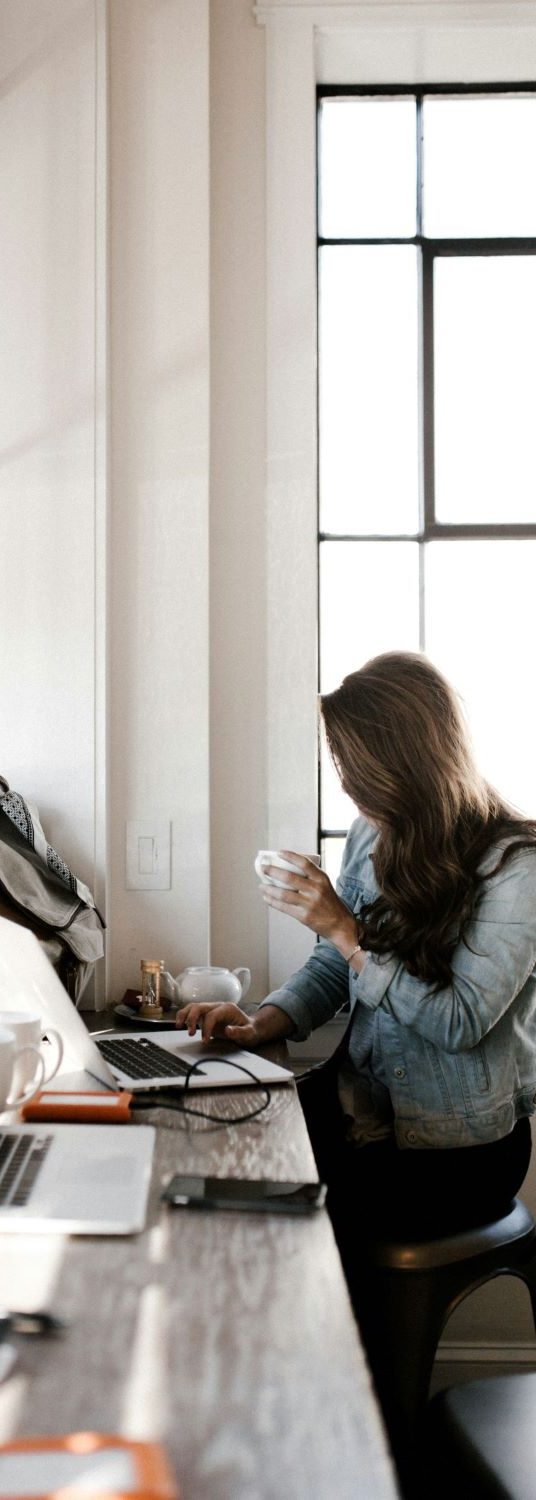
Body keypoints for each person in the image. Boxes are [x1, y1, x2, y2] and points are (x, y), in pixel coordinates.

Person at [175, 651, 536, 1258]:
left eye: (353, 765)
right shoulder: (373, 831)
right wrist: (264, 1019)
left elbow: (459, 1022)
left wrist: (345, 929)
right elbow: (332, 965)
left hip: (453, 1151)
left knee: (270, 1223)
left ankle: (325, 1349)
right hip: (359, 1110)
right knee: (207, 1149)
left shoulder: (516, 866)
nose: (345, 782)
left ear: (406, 762)